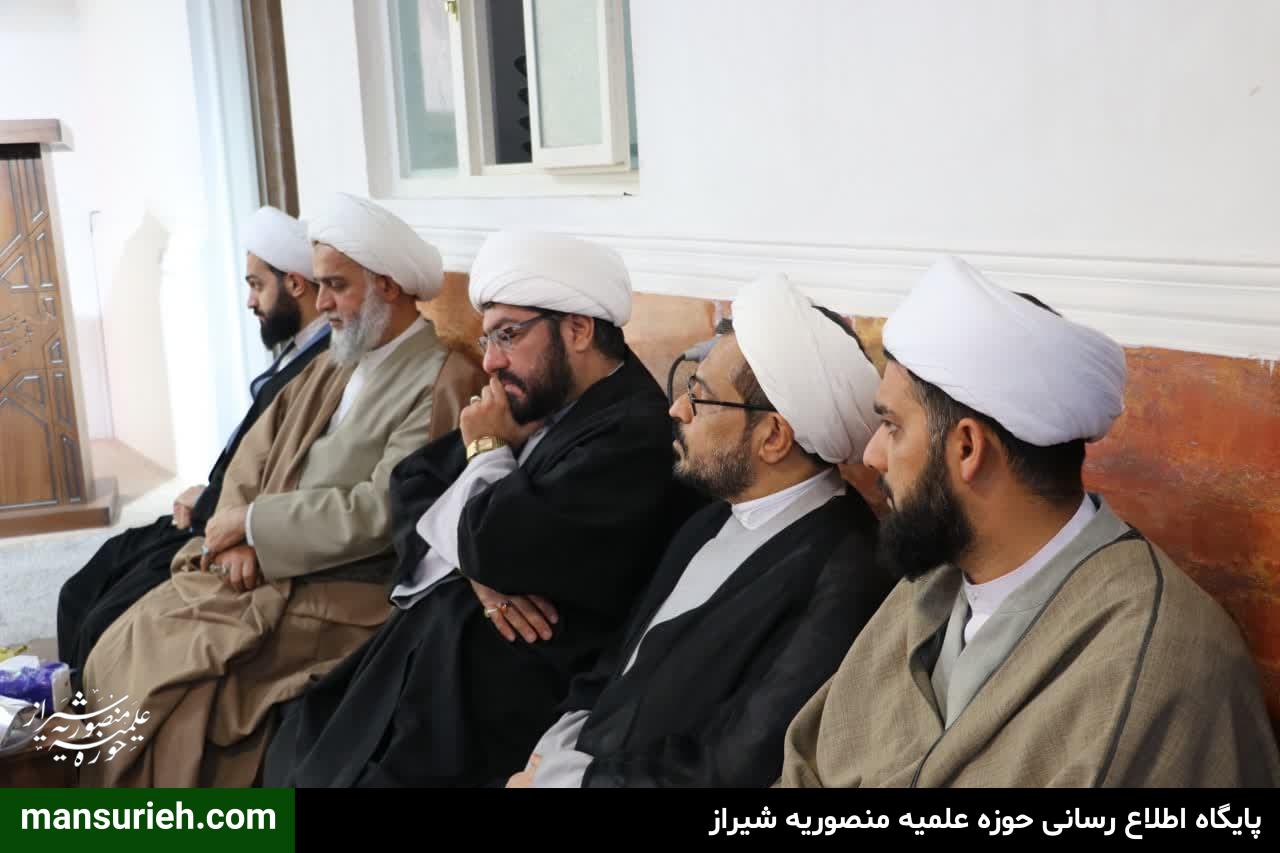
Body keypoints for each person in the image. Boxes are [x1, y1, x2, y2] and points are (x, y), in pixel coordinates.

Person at [777, 255, 1280, 787]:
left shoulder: (1165, 662)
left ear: (967, 448)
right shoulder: (931, 586)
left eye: (894, 427)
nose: (872, 455)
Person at [262, 229, 703, 787]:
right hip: (433, 662)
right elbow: (410, 485)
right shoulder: (537, 400)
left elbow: (497, 545)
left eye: (508, 335)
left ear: (578, 329)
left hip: (495, 708)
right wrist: (478, 573)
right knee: (300, 741)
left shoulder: (635, 437)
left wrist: (487, 454)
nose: (491, 362)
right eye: (488, 338)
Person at [78, 193, 486, 787]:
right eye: (320, 286)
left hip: (342, 588)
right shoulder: (343, 356)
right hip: (265, 562)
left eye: (337, 287)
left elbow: (384, 508)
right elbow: (257, 450)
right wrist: (234, 528)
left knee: (173, 681)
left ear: (388, 286)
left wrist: (254, 529)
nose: (322, 304)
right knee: (128, 633)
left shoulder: (443, 378)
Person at [507, 273, 895, 788]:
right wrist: (550, 752)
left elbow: (740, 762)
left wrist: (574, 781)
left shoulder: (846, 571)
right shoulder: (711, 517)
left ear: (773, 437)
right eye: (688, 386)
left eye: (702, 398)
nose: (677, 409)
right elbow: (616, 667)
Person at [56, 205, 329, 678]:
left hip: (227, 525)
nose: (250, 301)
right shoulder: (299, 349)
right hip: (212, 510)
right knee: (80, 590)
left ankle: (88, 718)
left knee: (106, 621)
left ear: (295, 284)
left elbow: (288, 474)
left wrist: (209, 507)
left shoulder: (324, 363)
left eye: (257, 285)